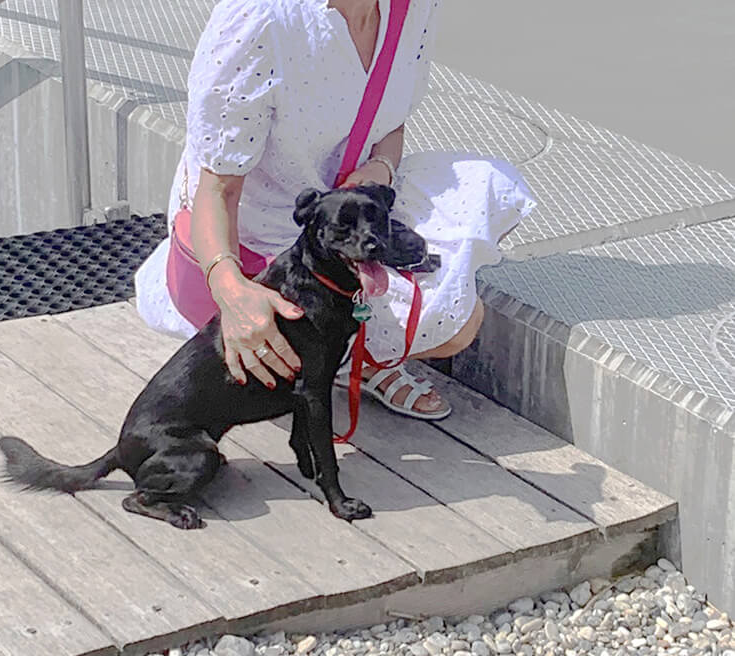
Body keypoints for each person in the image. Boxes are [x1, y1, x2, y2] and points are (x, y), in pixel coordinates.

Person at [135, 0, 537, 419]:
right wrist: (232, 293)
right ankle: (349, 357)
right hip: (260, 242)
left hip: (351, 208)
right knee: (455, 321)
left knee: (491, 191)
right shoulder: (260, 20)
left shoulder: (412, 8)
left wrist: (380, 168)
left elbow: (389, 122)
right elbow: (217, 190)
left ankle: (352, 356)